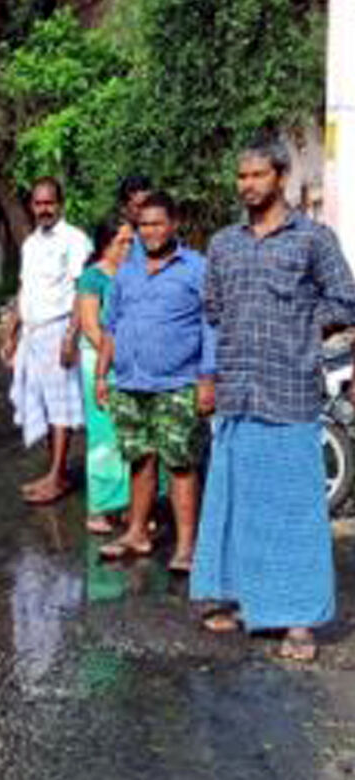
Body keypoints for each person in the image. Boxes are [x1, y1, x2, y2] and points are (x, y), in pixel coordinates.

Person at [191, 138, 355, 662]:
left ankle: (300, 621)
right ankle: (250, 603)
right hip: (238, 392)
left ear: (280, 176)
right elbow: (212, 310)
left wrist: (305, 329)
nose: (247, 186)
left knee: (293, 511)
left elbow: (345, 299)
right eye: (241, 177)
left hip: (289, 391)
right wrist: (209, 376)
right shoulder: (224, 244)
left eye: (257, 176)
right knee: (241, 505)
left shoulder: (313, 239)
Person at [95, 191, 215, 571]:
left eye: (157, 223)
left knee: (180, 464)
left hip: (177, 383)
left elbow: (212, 325)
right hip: (129, 382)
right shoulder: (126, 270)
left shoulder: (196, 267)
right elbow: (110, 326)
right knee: (139, 459)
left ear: (174, 224)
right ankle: (136, 533)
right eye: (143, 225)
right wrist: (101, 375)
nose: (150, 232)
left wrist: (209, 378)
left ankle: (185, 547)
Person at [2, 177, 92, 504]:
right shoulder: (30, 244)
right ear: (32, 206)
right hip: (33, 334)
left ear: (60, 203)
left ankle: (56, 477)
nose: (44, 209)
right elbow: (24, 291)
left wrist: (71, 336)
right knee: (41, 403)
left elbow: (85, 290)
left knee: (62, 407)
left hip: (59, 331)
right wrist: (11, 334)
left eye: (49, 203)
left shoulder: (75, 240)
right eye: (38, 203)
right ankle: (57, 472)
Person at [76, 216, 136, 534]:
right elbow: (90, 326)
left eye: (130, 241)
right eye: (121, 242)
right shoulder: (92, 278)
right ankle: (99, 508)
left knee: (129, 436)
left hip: (129, 364)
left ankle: (127, 506)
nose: (127, 247)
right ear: (105, 245)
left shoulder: (133, 274)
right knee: (104, 438)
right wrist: (114, 359)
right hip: (98, 362)